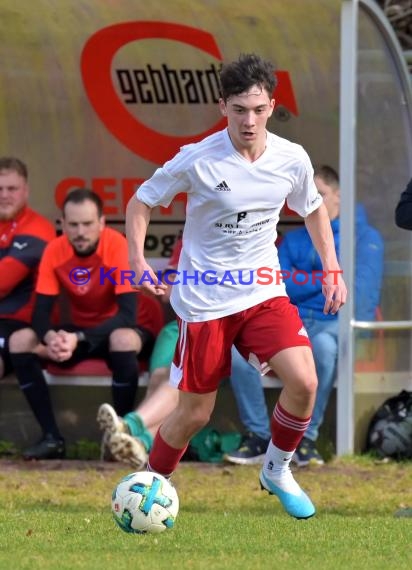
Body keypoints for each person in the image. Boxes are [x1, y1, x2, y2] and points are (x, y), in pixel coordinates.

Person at [125, 53, 346, 520]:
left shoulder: (291, 158)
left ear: (272, 106)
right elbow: (142, 201)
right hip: (205, 300)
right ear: (222, 105)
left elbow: (311, 209)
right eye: (240, 109)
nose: (250, 120)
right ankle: (147, 488)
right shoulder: (199, 158)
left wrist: (332, 268)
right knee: (193, 415)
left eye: (259, 109)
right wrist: (138, 260)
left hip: (262, 291)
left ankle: (277, 469)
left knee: (304, 380)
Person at [226, 165, 384, 466]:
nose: (312, 201)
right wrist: (325, 281)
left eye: (320, 194)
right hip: (293, 321)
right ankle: (259, 436)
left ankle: (306, 440)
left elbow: (360, 296)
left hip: (336, 322)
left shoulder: (364, 237)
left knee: (323, 349)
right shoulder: (294, 238)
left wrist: (305, 282)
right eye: (307, 194)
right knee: (239, 355)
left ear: (339, 196)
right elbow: (277, 285)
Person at [9, 188, 157, 460]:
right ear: (62, 224)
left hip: (125, 328)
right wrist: (52, 337)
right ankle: (52, 438)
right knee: (20, 340)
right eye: (73, 224)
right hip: (82, 334)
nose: (80, 232)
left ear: (101, 222)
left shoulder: (116, 244)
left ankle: (122, 439)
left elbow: (127, 316)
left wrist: (76, 337)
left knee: (122, 338)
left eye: (87, 224)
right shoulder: (55, 249)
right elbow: (40, 315)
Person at [97, 238, 270, 468]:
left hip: (221, 329)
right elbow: (168, 291)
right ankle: (139, 443)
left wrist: (199, 283)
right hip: (179, 326)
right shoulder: (190, 237)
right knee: (161, 377)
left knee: (179, 376)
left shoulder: (250, 237)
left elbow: (251, 292)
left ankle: (132, 428)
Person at [0, 156, 55, 379]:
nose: (4, 195)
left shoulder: (39, 228)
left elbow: (3, 281)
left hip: (18, 324)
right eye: (0, 189)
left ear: (26, 191)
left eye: (12, 188)